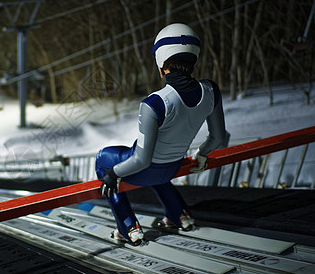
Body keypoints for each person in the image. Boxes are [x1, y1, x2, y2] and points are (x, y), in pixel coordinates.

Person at [96, 23, 229, 245]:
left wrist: (111, 174)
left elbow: (141, 160)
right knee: (157, 165)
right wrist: (202, 155)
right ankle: (179, 215)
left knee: (104, 158)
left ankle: (128, 227)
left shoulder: (155, 103)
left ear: (160, 61)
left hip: (147, 169)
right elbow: (219, 138)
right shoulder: (211, 90)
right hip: (172, 168)